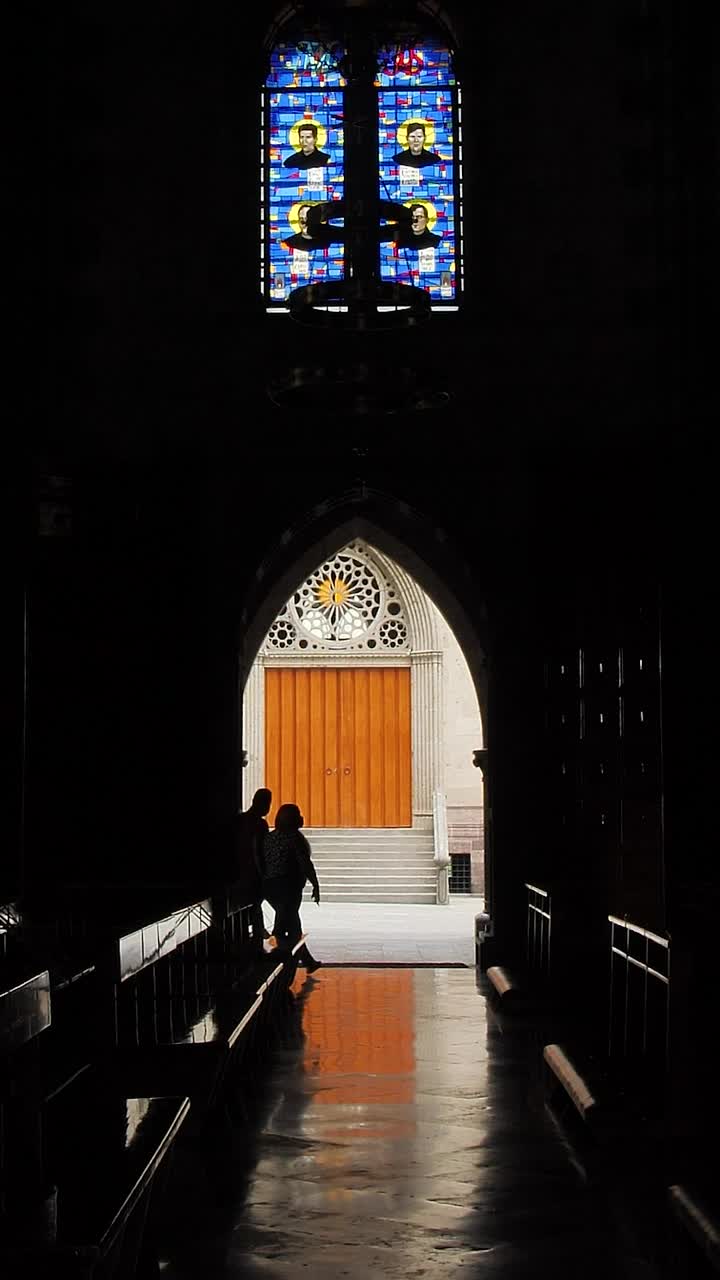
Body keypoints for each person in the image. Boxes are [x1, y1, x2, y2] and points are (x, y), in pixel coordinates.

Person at [262, 803, 322, 973]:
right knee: (284, 927)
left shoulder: (270, 837)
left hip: (270, 887)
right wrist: (315, 884)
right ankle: (278, 964)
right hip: (288, 887)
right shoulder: (294, 838)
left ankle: (307, 961)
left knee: (292, 924)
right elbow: (305, 863)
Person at [233, 788, 272, 945]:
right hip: (253, 871)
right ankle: (257, 936)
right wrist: (263, 872)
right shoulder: (260, 824)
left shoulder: (240, 820)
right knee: (255, 903)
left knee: (250, 905)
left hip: (238, 869)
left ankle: (257, 932)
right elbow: (259, 850)